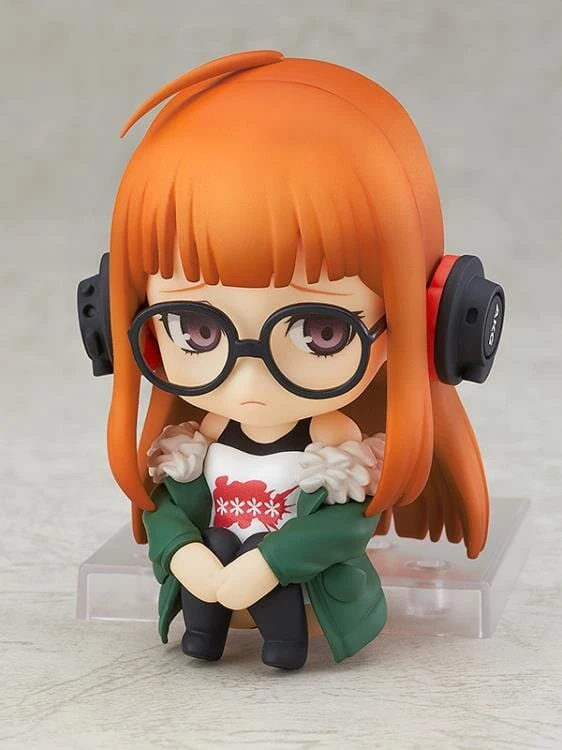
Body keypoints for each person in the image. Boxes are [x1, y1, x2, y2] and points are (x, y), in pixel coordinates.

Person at [78, 50, 504, 669]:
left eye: (319, 332)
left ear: (429, 323)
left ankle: (281, 643)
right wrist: (185, 555)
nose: (248, 379)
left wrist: (269, 564)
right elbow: (173, 510)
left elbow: (344, 525)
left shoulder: (335, 445)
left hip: (298, 593)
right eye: (198, 330)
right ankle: (204, 633)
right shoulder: (198, 441)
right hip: (213, 585)